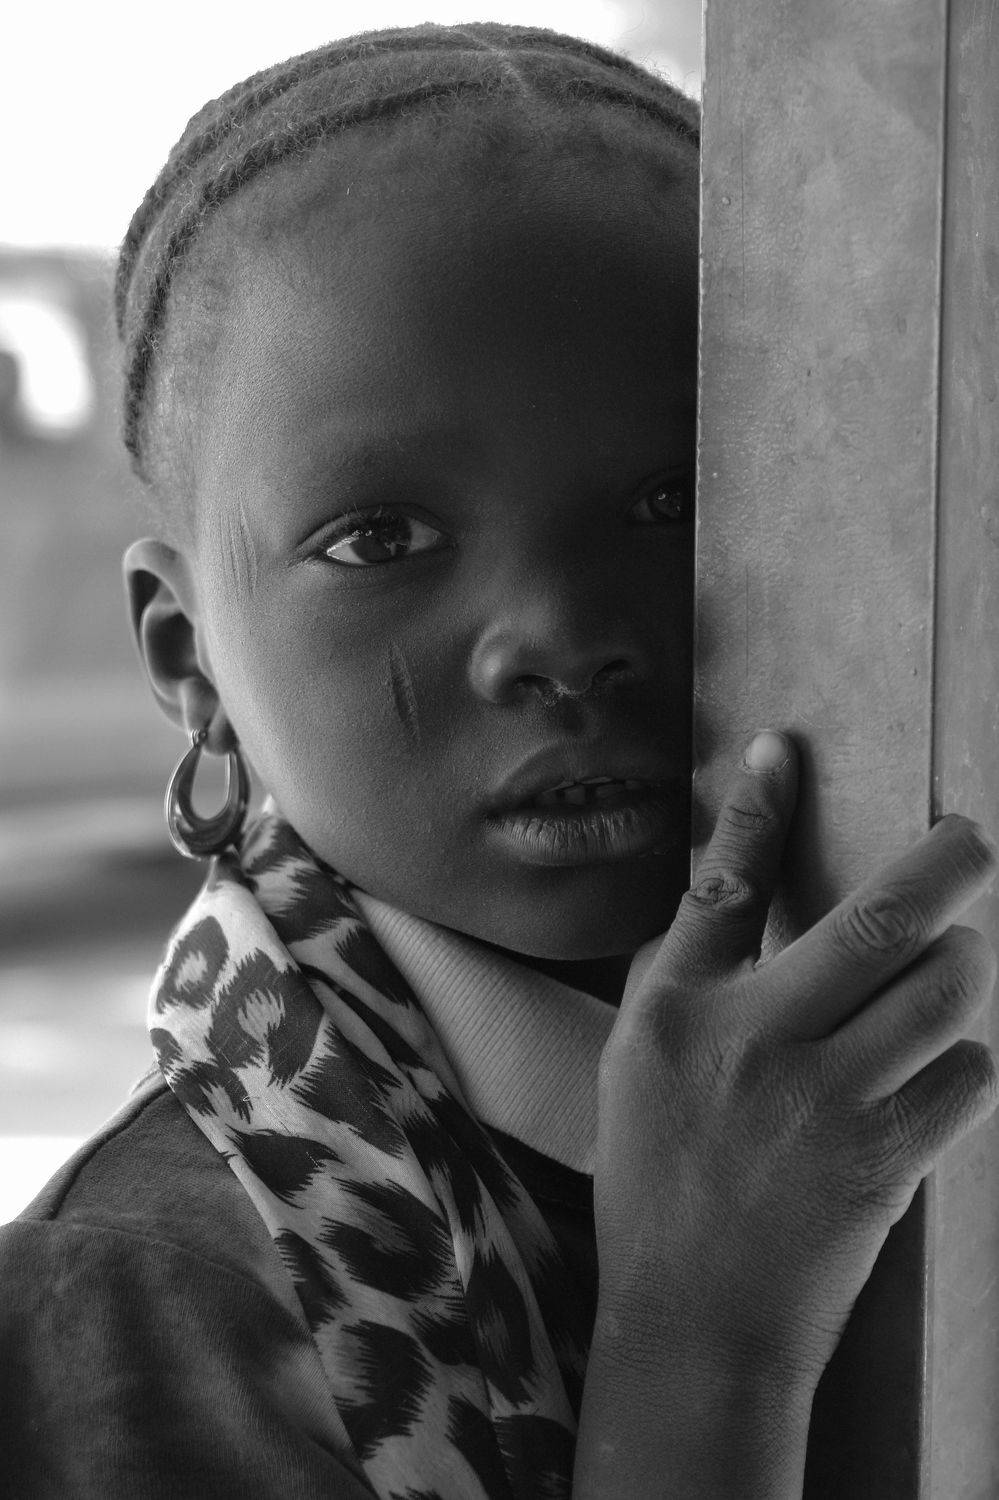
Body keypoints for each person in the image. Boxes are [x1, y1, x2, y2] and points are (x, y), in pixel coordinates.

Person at [1, 22, 996, 1498]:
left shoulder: (918, 1065)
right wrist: (705, 1339)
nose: (562, 639)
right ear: (187, 656)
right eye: (380, 539)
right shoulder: (135, 1303)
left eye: (672, 500)